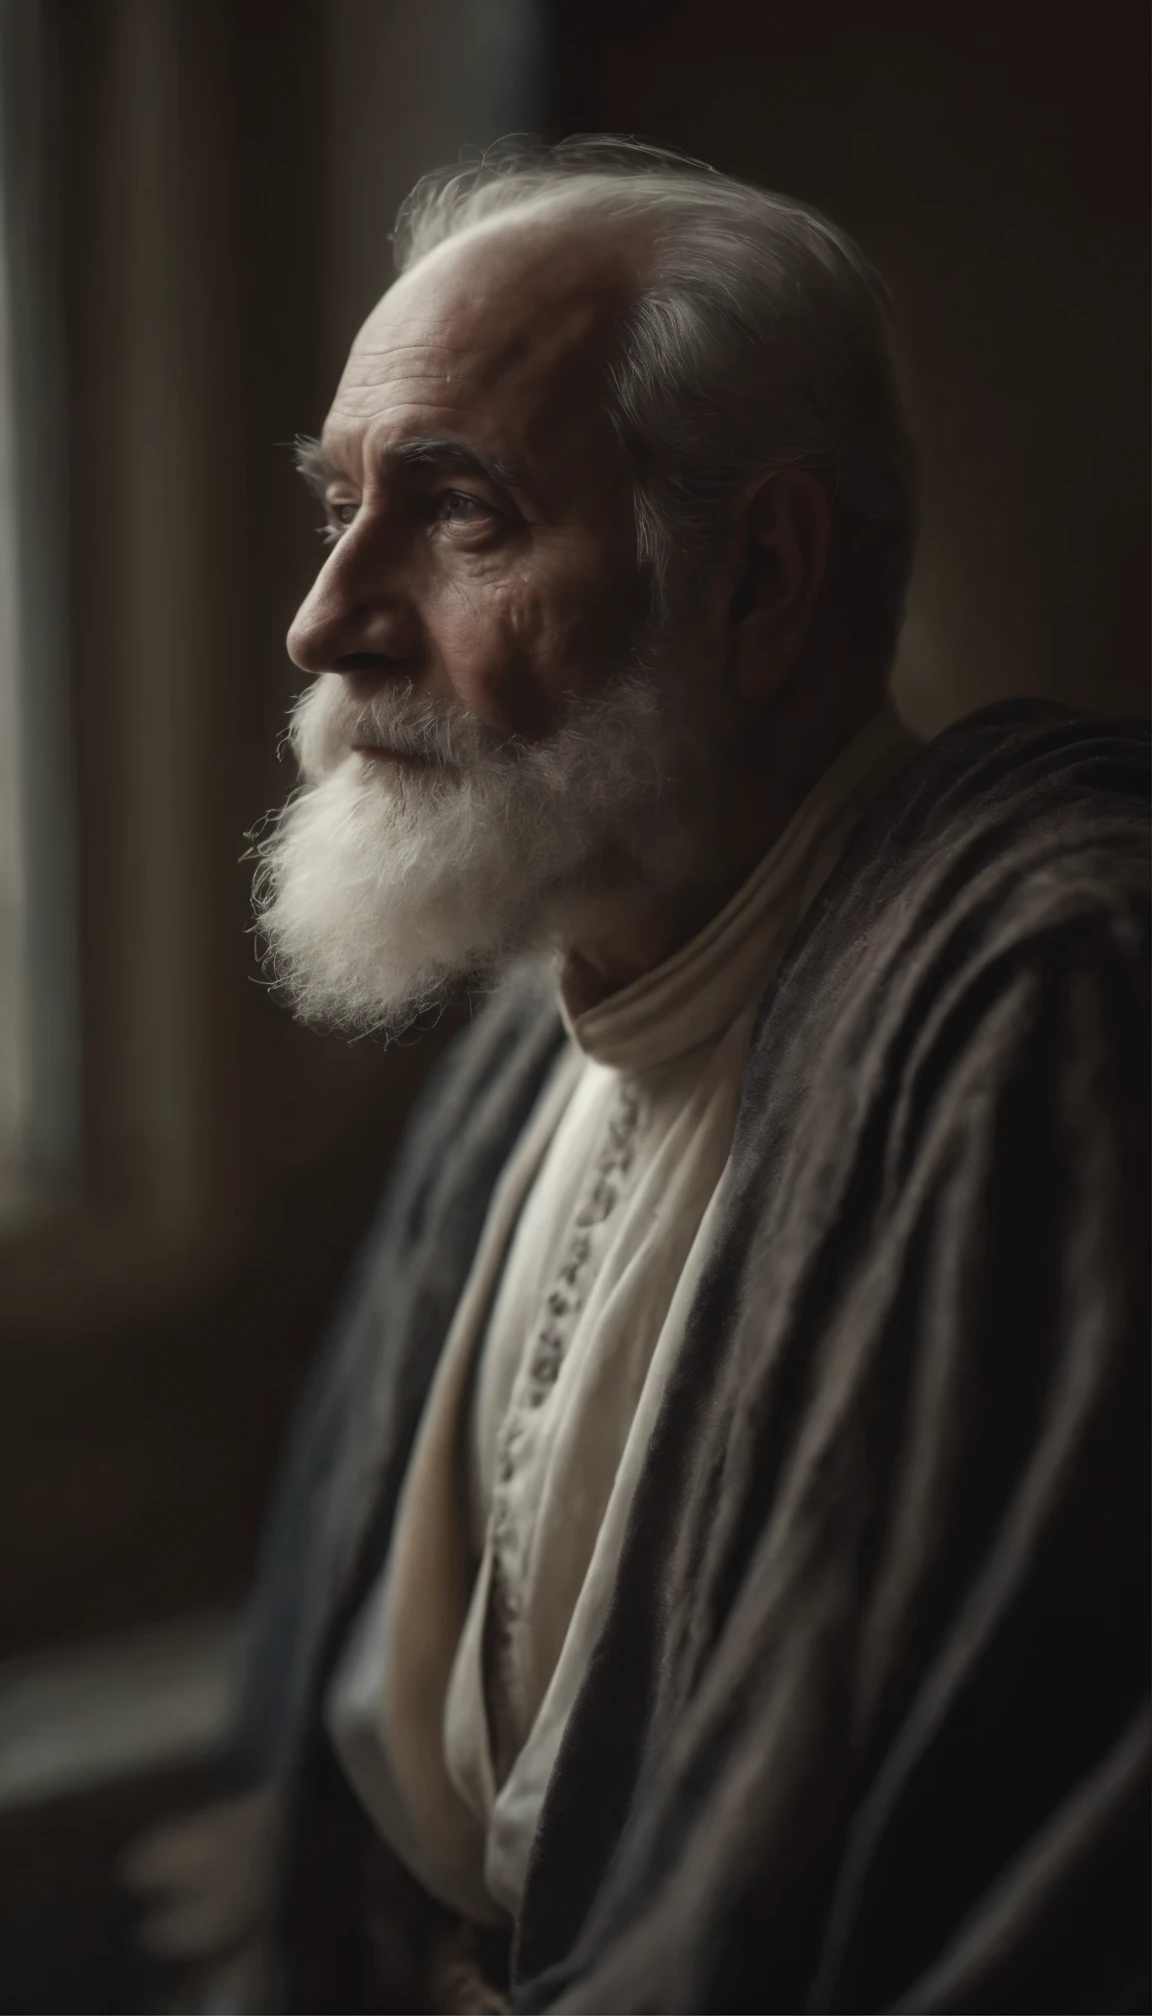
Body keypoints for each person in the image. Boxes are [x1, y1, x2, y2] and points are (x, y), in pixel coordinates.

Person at [129, 137, 1149, 2014]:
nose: (326, 620)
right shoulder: (545, 1002)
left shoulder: (1052, 1005)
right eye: (339, 505)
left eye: (456, 513)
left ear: (758, 572)